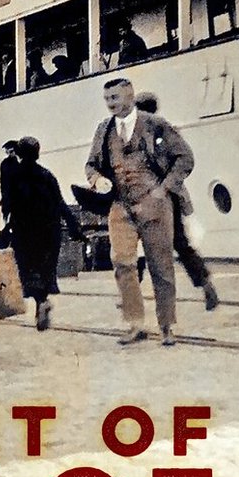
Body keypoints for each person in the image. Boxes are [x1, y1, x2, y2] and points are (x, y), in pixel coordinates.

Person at [85, 78, 194, 346]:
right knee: (122, 263)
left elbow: (185, 157)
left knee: (161, 265)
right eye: (107, 98)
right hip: (120, 205)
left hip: (154, 206)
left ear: (130, 96)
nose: (110, 103)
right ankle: (135, 324)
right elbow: (91, 164)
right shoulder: (104, 129)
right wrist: (96, 179)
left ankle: (166, 326)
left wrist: (164, 188)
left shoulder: (156, 124)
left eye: (115, 97)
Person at [135, 92, 219, 310]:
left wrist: (164, 186)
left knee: (141, 244)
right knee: (177, 244)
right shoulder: (157, 132)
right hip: (157, 197)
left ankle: (131, 291)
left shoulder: (157, 132)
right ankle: (205, 283)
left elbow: (184, 160)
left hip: (160, 198)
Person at [4, 137, 83, 330]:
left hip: (24, 233)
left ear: (19, 153)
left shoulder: (14, 177)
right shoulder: (47, 176)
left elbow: (8, 203)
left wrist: (7, 226)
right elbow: (60, 203)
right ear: (37, 153)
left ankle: (41, 302)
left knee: (28, 271)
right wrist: (74, 227)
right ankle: (43, 301)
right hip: (48, 233)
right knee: (44, 270)